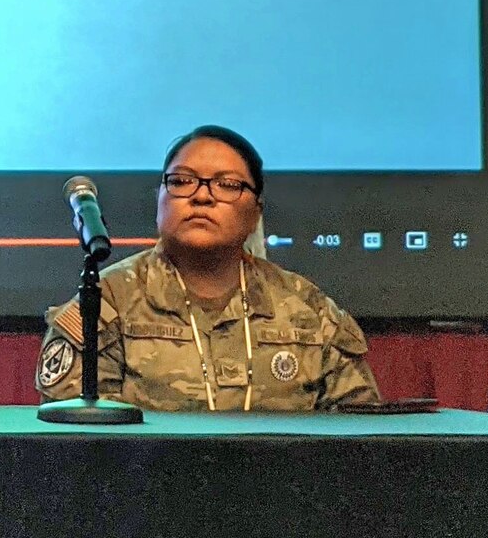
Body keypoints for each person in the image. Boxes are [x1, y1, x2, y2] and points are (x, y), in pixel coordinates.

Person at [35, 124, 380, 411]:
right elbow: (80, 437)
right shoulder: (108, 300)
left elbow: (358, 433)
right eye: (182, 181)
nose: (202, 196)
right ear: (159, 199)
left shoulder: (306, 308)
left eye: (227, 185)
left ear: (256, 211)